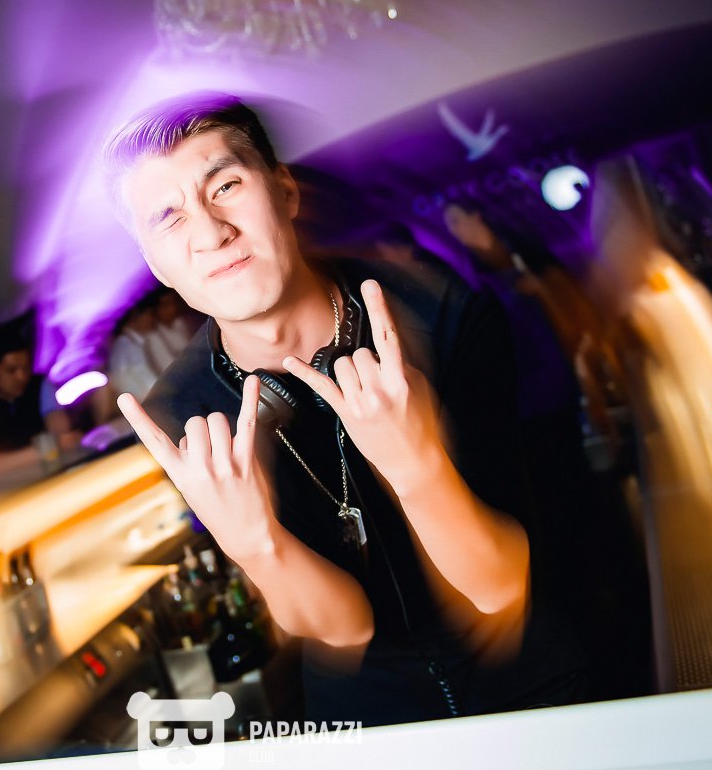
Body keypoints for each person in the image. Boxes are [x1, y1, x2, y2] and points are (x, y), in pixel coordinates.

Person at [103, 93, 584, 726]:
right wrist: (256, 545)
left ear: (285, 192)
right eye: (169, 218)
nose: (212, 233)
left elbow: (499, 587)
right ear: (153, 262)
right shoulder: (182, 412)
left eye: (226, 186)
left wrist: (416, 469)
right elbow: (343, 631)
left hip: (530, 692)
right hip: (371, 721)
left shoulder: (437, 313)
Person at [0, 327, 73, 480]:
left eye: (25, 368)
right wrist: (45, 449)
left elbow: (64, 439)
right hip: (2, 487)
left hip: (51, 475)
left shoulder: (40, 385)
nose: (21, 377)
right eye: (11, 370)